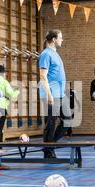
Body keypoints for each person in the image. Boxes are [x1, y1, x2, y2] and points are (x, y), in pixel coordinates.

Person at [38, 29, 70, 159]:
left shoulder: (55, 53)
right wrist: (49, 95)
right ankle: (48, 151)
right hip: (51, 93)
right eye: (60, 38)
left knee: (68, 120)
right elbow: (43, 76)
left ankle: (50, 145)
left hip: (60, 93)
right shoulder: (46, 54)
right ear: (54, 39)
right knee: (51, 123)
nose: (62, 40)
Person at [0, 64, 19, 143]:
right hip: (1, 107)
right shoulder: (4, 82)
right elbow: (11, 95)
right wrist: (17, 91)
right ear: (3, 73)